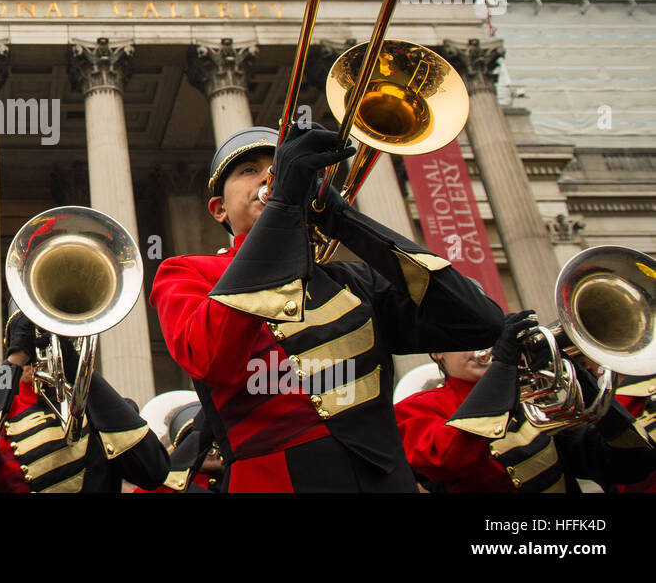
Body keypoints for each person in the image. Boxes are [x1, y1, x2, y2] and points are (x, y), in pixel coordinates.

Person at [150, 125, 504, 492]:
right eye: (249, 170)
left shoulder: (355, 280)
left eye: (280, 168)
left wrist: (341, 216)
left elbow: (480, 322)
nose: (271, 176)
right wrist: (282, 209)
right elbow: (211, 358)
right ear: (219, 208)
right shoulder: (188, 272)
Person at [395, 311, 656, 493]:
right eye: (464, 339)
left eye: (489, 336)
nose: (480, 347)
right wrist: (502, 370)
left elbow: (627, 466)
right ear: (437, 352)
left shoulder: (534, 396)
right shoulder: (414, 408)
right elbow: (445, 460)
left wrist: (583, 382)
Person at [0, 309, 169, 493]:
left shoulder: (105, 412)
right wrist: (15, 360)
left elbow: (153, 471)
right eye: (32, 347)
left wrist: (74, 363)